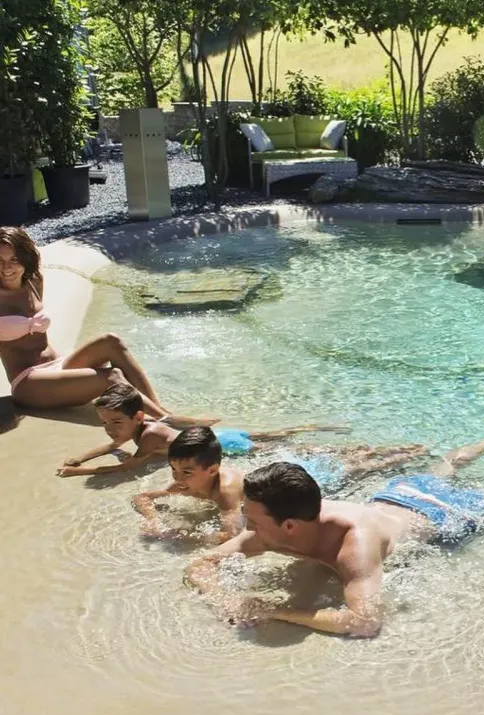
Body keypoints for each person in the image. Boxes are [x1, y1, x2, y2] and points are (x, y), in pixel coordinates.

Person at [184, 430, 484, 638]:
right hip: (393, 495)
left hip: (440, 515)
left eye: (252, 519)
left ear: (289, 525)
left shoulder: (353, 547)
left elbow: (364, 621)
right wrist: (223, 600)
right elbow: (199, 566)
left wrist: (275, 610)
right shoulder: (274, 528)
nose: (246, 527)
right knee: (447, 465)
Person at [0, 226, 206, 422]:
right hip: (28, 383)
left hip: (58, 366)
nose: (7, 267)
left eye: (14, 259)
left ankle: (159, 409)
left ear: (26, 259)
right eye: (0, 260)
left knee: (111, 341)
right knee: (112, 377)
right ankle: (164, 419)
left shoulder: (34, 281)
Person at [133, 425, 431, 543]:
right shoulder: (187, 483)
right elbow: (142, 497)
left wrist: (177, 535)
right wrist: (152, 519)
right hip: (279, 472)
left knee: (358, 468)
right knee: (354, 461)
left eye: (186, 472)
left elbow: (229, 535)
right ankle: (393, 451)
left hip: (303, 482)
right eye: (174, 470)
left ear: (212, 470)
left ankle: (412, 452)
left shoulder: (225, 494)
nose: (177, 478)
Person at [56, 383, 353, 478]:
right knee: (278, 435)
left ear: (138, 417)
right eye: (105, 423)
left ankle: (340, 450)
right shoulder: (145, 427)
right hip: (221, 436)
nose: (110, 430)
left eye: (116, 423)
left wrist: (79, 473)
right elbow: (113, 447)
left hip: (225, 446)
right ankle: (324, 427)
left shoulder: (148, 436)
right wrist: (81, 457)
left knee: (284, 449)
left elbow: (128, 466)